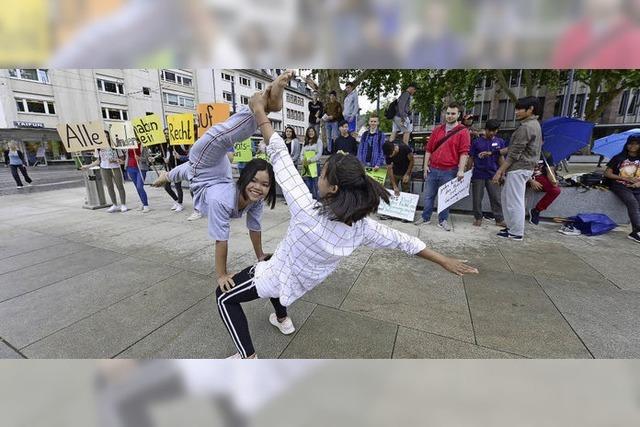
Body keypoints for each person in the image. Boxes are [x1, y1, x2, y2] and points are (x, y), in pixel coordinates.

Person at [217, 88, 479, 359]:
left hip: (279, 275)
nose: (319, 177)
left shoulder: (307, 211)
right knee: (272, 261)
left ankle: (248, 358)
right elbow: (405, 241)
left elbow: (281, 157)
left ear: (332, 189)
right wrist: (443, 260)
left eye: (323, 174)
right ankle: (282, 318)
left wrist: (259, 110)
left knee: (223, 296)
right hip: (302, 278)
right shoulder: (363, 227)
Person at [153, 72, 287, 291]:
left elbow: (254, 227)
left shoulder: (256, 198)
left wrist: (260, 255)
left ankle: (265, 104)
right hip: (209, 172)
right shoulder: (221, 201)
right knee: (219, 137)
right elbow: (221, 240)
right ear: (243, 179)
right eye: (254, 181)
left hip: (208, 174)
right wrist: (222, 274)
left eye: (265, 185)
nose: (258, 188)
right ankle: (262, 105)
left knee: (184, 169)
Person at [492, 96, 543, 241]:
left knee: (514, 200)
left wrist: (500, 170)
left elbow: (514, 154)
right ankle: (512, 228)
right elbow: (514, 149)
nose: (516, 112)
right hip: (522, 167)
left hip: (519, 167)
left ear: (531, 109)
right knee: (508, 198)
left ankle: (516, 232)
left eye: (520, 109)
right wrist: (495, 153)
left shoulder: (527, 127)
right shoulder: (533, 125)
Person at [416, 102, 471, 231]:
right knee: (429, 195)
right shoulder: (437, 130)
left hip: (449, 170)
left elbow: (464, 152)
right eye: (448, 113)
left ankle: (443, 220)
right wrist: (425, 167)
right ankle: (425, 217)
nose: (450, 116)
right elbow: (428, 150)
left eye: (453, 113)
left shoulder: (463, 132)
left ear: (458, 114)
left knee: (446, 198)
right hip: (433, 168)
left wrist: (461, 170)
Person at [468, 119, 506, 227]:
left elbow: (501, 158)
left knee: (496, 198)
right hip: (478, 174)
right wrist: (467, 172)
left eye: (495, 131)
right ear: (486, 130)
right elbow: (471, 157)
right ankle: (478, 217)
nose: (493, 133)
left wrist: (502, 173)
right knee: (477, 197)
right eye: (491, 131)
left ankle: (499, 219)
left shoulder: (500, 142)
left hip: (493, 174)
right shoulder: (476, 142)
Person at [604, 134, 640, 243]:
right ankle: (638, 231)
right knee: (632, 203)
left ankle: (635, 232)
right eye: (630, 143)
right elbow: (607, 173)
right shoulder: (619, 157)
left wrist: (638, 183)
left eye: (636, 144)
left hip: (636, 186)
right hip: (619, 185)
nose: (633, 146)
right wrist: (626, 179)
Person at [81, 147, 127, 212]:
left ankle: (123, 204)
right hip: (104, 168)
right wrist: (88, 166)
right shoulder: (98, 148)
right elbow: (98, 161)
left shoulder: (113, 145)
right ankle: (114, 204)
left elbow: (122, 157)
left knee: (119, 186)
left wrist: (118, 160)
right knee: (109, 187)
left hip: (115, 167)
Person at [528, 151, 561, 226]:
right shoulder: (524, 152)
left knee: (555, 190)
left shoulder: (546, 154)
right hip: (522, 176)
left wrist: (553, 180)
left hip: (539, 177)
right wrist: (531, 181)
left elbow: (550, 171)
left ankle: (536, 210)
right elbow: (516, 169)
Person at [124, 143, 151, 213]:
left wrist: (139, 158)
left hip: (141, 168)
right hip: (130, 167)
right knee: (137, 187)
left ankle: (146, 205)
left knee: (140, 186)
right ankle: (143, 203)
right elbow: (127, 157)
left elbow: (147, 159)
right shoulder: (128, 145)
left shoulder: (143, 145)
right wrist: (126, 167)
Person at [300, 127, 323, 199]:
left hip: (315, 164)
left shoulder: (318, 141)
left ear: (315, 132)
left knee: (316, 184)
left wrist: (311, 160)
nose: (310, 133)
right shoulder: (305, 142)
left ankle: (318, 200)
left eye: (312, 131)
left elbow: (319, 153)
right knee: (308, 183)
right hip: (306, 165)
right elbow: (302, 153)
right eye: (309, 131)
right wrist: (302, 160)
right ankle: (309, 200)